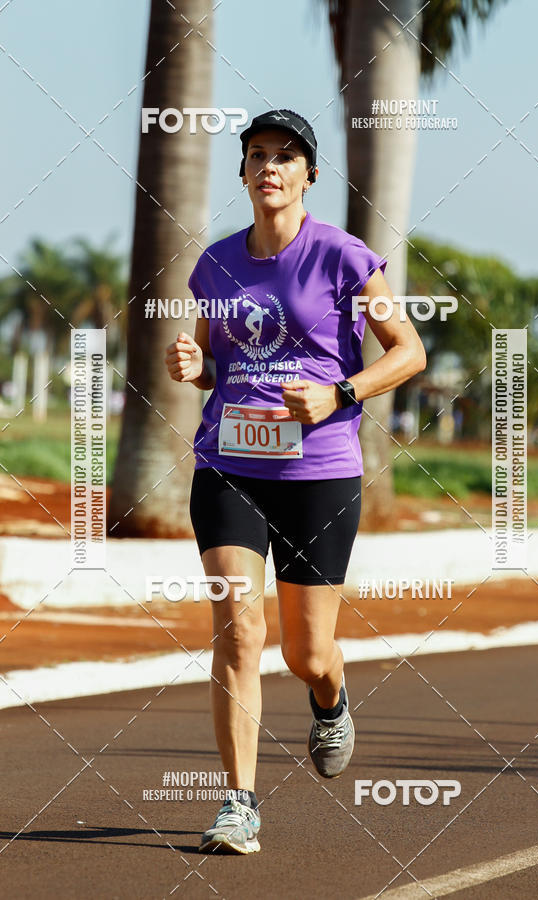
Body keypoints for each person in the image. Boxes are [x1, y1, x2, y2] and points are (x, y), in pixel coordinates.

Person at [165, 109, 426, 854]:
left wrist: (340, 394)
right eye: (256, 155)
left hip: (319, 473)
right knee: (238, 629)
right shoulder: (216, 264)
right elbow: (213, 365)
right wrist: (196, 367)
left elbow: (408, 351)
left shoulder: (344, 257)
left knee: (305, 653)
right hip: (229, 467)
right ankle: (238, 804)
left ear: (309, 174)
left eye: (285, 156)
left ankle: (330, 695)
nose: (269, 167)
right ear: (243, 172)